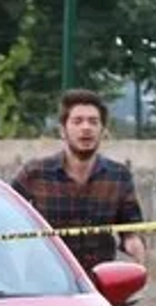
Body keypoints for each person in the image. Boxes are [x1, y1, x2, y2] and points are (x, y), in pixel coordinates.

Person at [10, 88, 148, 275]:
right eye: (77, 121)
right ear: (62, 130)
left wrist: (135, 245)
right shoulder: (35, 173)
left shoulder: (119, 175)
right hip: (45, 282)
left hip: (97, 286)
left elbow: (130, 229)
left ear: (103, 131)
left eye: (93, 122)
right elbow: (6, 216)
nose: (86, 128)